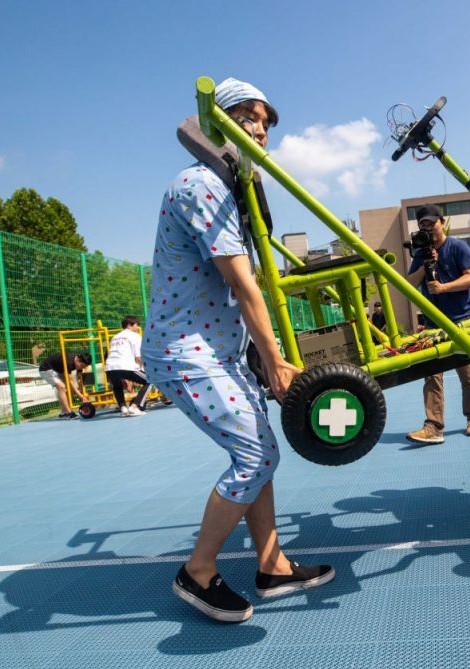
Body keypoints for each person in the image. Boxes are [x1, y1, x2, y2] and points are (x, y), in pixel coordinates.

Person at [143, 77, 334, 623]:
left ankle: (271, 564)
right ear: (216, 122)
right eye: (248, 116)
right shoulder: (200, 184)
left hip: (218, 351)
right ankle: (198, 571)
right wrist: (273, 359)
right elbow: (244, 284)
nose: (261, 129)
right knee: (256, 455)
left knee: (260, 453)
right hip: (185, 352)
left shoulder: (227, 187)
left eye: (266, 122)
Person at [405, 204, 470, 444]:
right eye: (423, 225)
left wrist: (443, 288)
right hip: (432, 323)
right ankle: (433, 426)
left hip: (460, 322)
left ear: (442, 222)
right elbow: (408, 284)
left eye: (431, 223)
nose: (428, 228)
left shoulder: (457, 247)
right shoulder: (420, 254)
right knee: (431, 376)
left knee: (467, 373)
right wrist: (425, 264)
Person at [105, 315, 150, 417]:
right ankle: (135, 407)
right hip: (125, 365)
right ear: (130, 325)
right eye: (136, 325)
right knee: (149, 380)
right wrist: (143, 369)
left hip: (110, 367)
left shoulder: (115, 337)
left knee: (117, 386)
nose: (137, 327)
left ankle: (123, 408)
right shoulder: (135, 336)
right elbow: (138, 357)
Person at [38, 351, 91, 420]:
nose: (82, 368)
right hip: (46, 369)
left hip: (59, 370)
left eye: (84, 367)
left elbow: (79, 378)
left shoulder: (78, 362)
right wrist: (81, 397)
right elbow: (70, 381)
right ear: (77, 360)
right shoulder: (68, 362)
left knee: (70, 390)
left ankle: (63, 412)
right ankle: (68, 413)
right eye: (82, 366)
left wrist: (82, 393)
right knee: (61, 387)